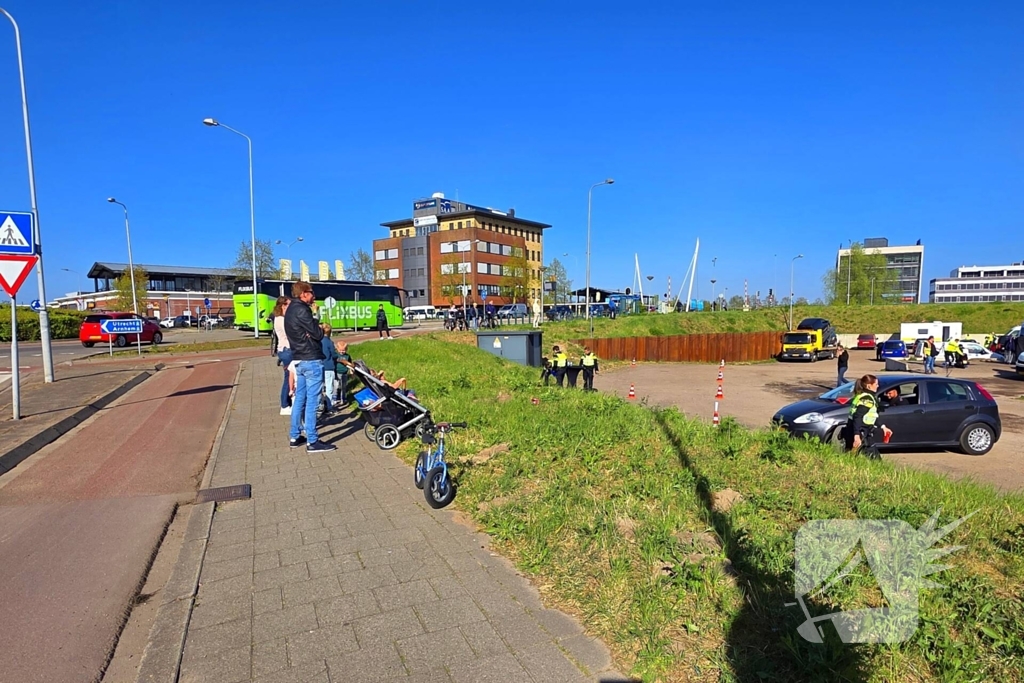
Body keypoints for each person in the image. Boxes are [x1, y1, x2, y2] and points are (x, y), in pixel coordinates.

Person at [284, 281, 335, 452]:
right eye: (311, 292)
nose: (314, 296)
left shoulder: (290, 310)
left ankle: (295, 435)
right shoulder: (303, 310)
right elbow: (318, 334)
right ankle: (312, 441)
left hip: (298, 358)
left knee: (300, 399)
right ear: (304, 294)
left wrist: (311, 331)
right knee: (312, 402)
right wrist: (315, 316)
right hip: (311, 359)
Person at [845, 374, 891, 459]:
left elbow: (873, 415)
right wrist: (857, 436)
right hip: (862, 433)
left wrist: (883, 427)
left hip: (863, 432)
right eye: (876, 384)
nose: (878, 386)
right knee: (875, 460)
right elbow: (857, 416)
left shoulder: (863, 396)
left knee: (855, 458)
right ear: (869, 386)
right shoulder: (867, 399)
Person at [272, 296, 293, 415]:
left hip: (285, 350)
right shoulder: (281, 319)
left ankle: (287, 403)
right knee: (288, 377)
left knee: (290, 377)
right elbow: (290, 333)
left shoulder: (280, 318)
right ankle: (284, 405)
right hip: (287, 350)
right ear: (283, 306)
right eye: (288, 305)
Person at [320, 323, 339, 414]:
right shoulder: (329, 342)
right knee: (329, 387)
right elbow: (334, 354)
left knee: (320, 387)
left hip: (319, 366)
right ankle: (329, 406)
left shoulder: (318, 341)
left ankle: (320, 405)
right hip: (329, 366)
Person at [334, 340, 351, 406]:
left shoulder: (347, 356)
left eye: (343, 350)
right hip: (337, 372)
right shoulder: (336, 355)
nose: (342, 352)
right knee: (336, 386)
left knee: (343, 386)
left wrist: (351, 370)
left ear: (346, 349)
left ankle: (343, 398)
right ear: (337, 349)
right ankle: (335, 398)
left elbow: (350, 363)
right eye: (340, 350)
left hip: (344, 373)